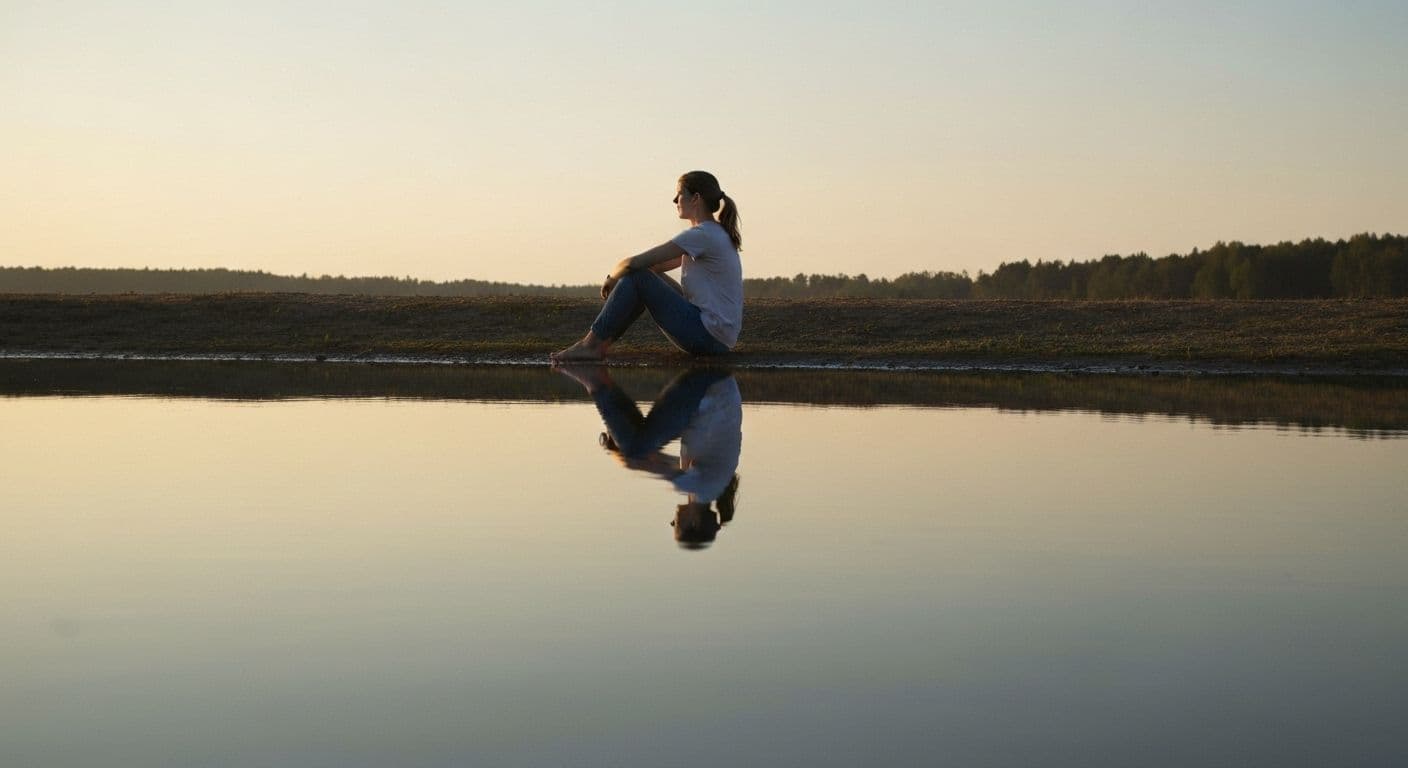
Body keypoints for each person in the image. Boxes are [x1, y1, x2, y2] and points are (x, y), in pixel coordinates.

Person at [551, 171, 742, 362]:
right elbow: (654, 267)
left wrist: (613, 278)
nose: (675, 200)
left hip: (707, 338)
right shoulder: (713, 234)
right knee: (643, 275)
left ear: (696, 198)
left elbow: (634, 263)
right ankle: (598, 345)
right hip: (715, 337)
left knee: (638, 276)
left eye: (680, 193)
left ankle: (590, 345)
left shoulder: (702, 235)